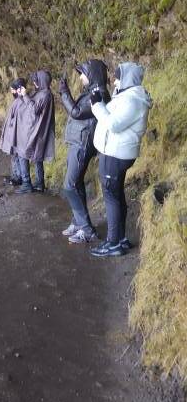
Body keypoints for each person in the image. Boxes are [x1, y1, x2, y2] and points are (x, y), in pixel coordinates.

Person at [89, 62, 152, 258]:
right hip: (115, 153)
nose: (115, 80)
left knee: (111, 197)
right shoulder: (127, 96)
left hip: (116, 155)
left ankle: (113, 243)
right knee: (115, 195)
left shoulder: (133, 100)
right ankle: (121, 238)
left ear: (127, 78)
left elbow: (113, 124)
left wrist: (96, 105)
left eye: (118, 77)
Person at [58, 60, 110, 244]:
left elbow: (77, 112)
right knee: (76, 183)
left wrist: (64, 93)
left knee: (69, 185)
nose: (80, 77)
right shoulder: (91, 92)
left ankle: (87, 230)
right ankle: (78, 222)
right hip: (79, 141)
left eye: (83, 73)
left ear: (93, 74)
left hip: (83, 144)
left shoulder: (99, 94)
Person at [16, 70, 55, 193]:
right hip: (37, 130)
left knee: (23, 153)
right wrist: (23, 95)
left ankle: (27, 183)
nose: (34, 82)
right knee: (37, 156)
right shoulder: (42, 93)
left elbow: (34, 110)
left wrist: (26, 96)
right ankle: (39, 183)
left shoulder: (45, 95)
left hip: (36, 131)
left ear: (41, 81)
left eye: (36, 80)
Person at [0, 78, 26, 186]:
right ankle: (15, 175)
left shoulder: (21, 101)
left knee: (18, 156)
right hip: (13, 133)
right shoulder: (17, 101)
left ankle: (19, 177)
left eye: (13, 90)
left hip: (17, 134)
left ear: (18, 89)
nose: (11, 92)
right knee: (14, 156)